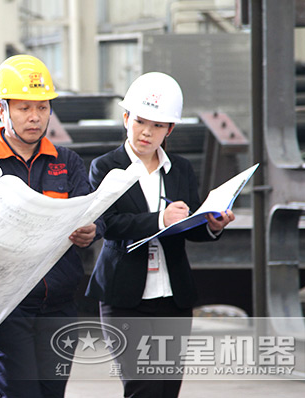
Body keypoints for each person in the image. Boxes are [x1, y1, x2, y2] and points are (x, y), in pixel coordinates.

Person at [0, 55, 102, 398]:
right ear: (2, 110)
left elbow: (94, 213)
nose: (35, 117)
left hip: (59, 306)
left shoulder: (67, 162)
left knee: (52, 393)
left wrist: (92, 230)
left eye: (42, 107)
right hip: (6, 310)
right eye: (24, 108)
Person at [85, 72, 235, 398]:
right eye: (140, 121)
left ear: (170, 129)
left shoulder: (180, 168)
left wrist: (212, 225)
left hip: (173, 297)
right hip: (125, 297)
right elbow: (107, 223)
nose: (146, 132)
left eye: (157, 125)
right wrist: (159, 219)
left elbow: (189, 225)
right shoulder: (105, 167)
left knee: (168, 389)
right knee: (143, 387)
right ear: (126, 118)